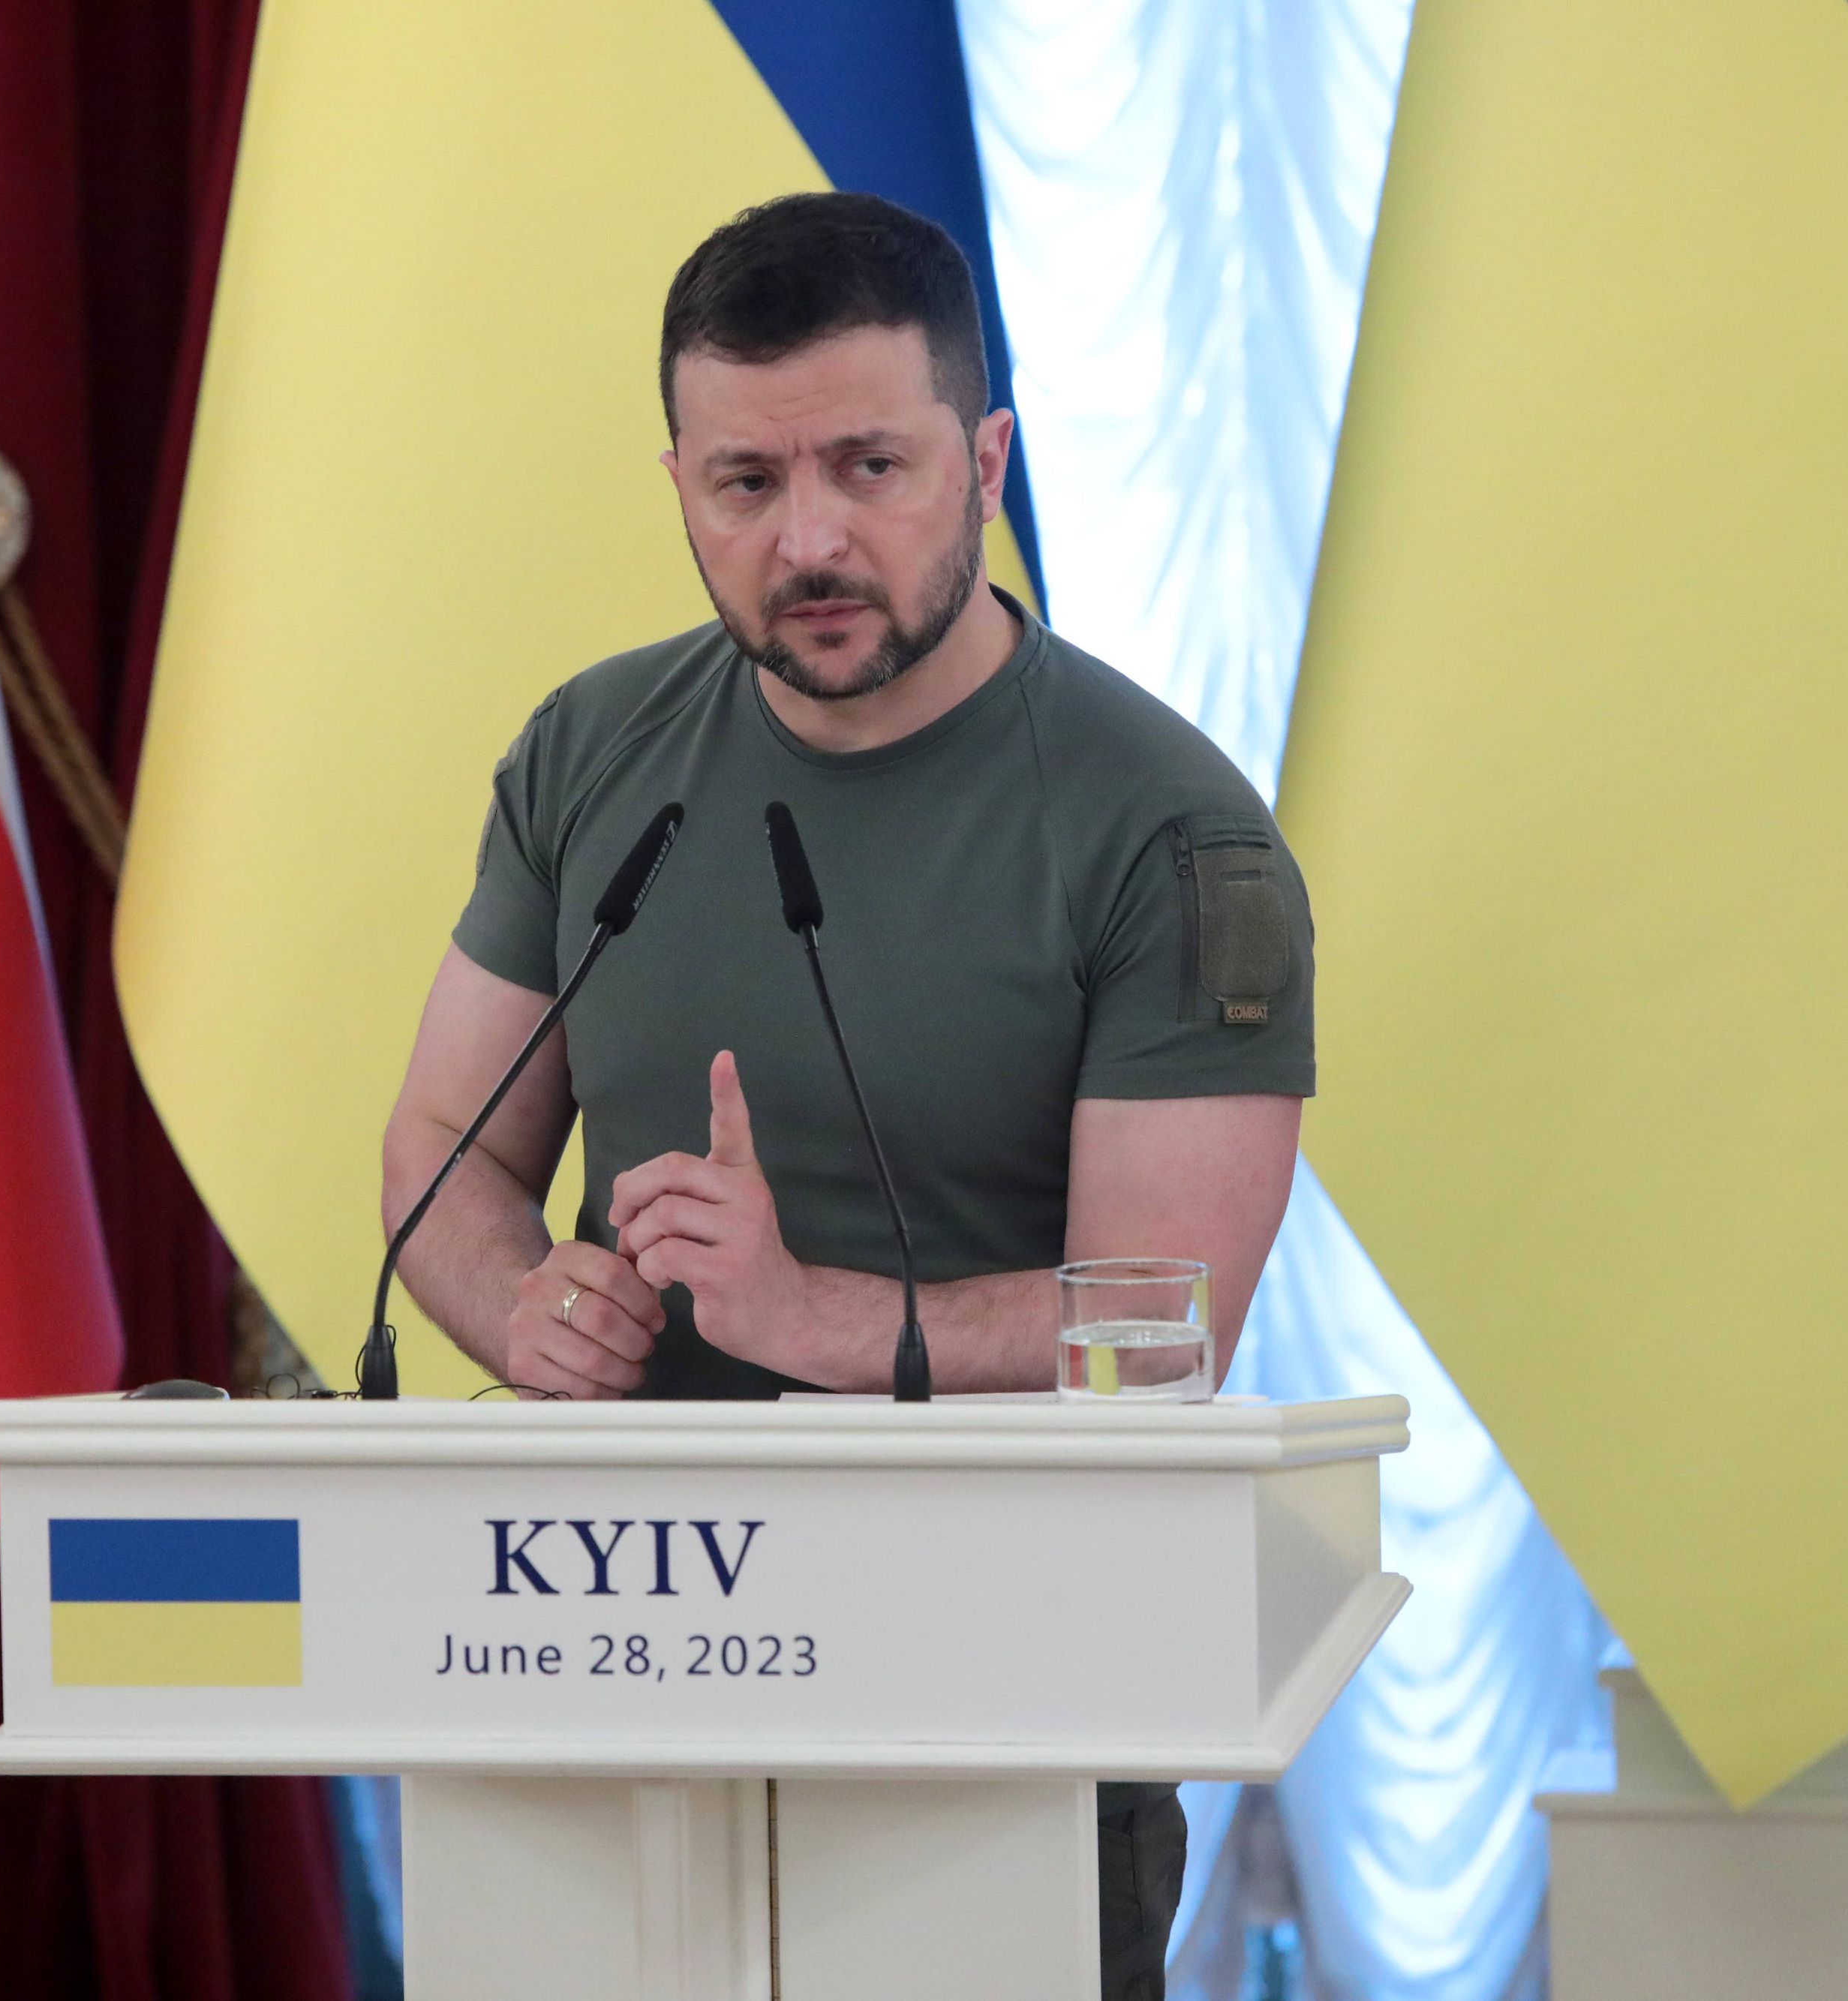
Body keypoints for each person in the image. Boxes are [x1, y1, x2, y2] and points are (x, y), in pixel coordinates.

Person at [380, 191, 1317, 2001]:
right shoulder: (589, 754)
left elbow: (1166, 1319)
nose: (805, 538)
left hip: (1007, 1699)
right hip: (606, 1668)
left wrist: (814, 1317)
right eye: (744, 482)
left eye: (867, 467)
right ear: (678, 486)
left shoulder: (1167, 830)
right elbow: (445, 1148)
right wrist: (521, 1300)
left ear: (984, 463)